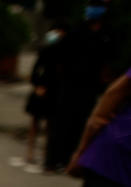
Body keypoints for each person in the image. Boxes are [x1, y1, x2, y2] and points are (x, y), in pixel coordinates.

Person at [44, 2, 113, 173]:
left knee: (80, 125)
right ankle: (51, 162)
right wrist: (65, 81)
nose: (94, 8)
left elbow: (108, 61)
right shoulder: (76, 32)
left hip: (91, 88)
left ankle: (68, 161)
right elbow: (59, 61)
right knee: (61, 123)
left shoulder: (107, 34)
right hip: (70, 86)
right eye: (92, 4)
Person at [24, 25, 66, 168]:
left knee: (50, 125)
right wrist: (37, 86)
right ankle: (30, 152)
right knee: (35, 123)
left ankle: (46, 153)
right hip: (41, 90)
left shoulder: (62, 52)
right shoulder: (44, 51)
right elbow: (35, 70)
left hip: (54, 92)